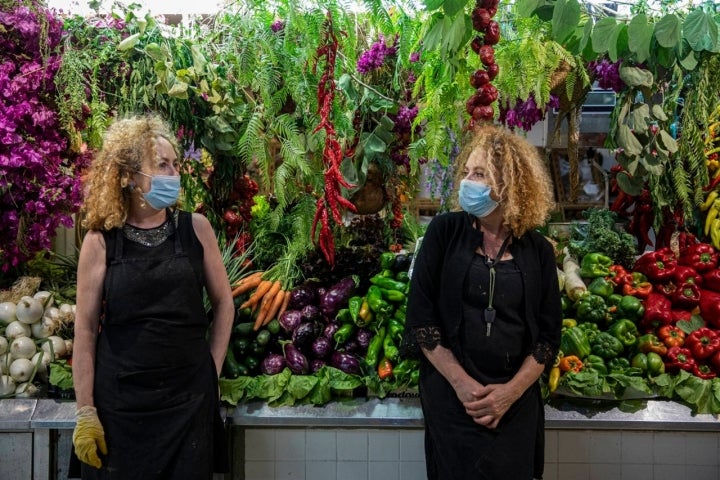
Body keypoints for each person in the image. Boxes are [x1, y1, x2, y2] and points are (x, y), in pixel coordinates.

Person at [71, 114, 234, 479]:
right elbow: (84, 330)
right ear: (129, 176)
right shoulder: (100, 242)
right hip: (121, 406)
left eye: (176, 165)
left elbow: (224, 305)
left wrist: (212, 370)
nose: (173, 174)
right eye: (162, 165)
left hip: (189, 400)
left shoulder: (196, 229)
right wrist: (85, 411)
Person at [403, 124, 562, 480]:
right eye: (466, 172)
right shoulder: (444, 232)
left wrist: (510, 392)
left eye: (479, 174)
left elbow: (548, 336)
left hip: (515, 404)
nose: (467, 182)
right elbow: (421, 320)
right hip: (452, 397)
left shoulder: (536, 249)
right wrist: (462, 384)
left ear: (509, 184)